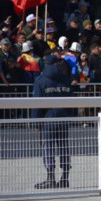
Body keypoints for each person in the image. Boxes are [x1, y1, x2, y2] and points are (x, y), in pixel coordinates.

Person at [31, 55, 76, 189]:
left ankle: (50, 178)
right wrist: (71, 117)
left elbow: (37, 104)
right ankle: (65, 178)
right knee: (63, 147)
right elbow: (73, 101)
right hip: (63, 119)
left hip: (48, 119)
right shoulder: (66, 80)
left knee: (48, 147)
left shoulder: (41, 81)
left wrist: (36, 123)